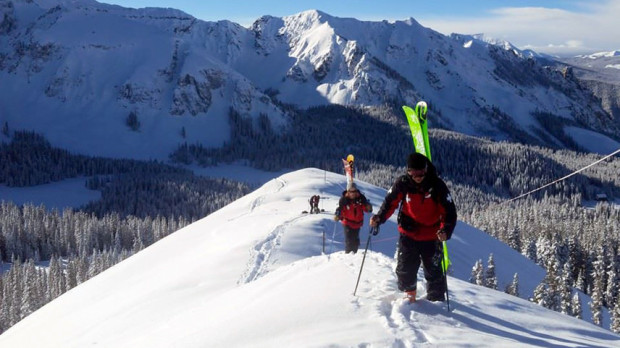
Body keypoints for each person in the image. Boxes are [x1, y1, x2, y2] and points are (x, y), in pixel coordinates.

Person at [370, 153, 457, 302]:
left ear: (426, 169)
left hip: (432, 236)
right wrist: (380, 218)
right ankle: (409, 298)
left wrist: (445, 230)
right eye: (413, 172)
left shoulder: (436, 185)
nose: (417, 176)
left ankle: (437, 304)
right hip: (408, 233)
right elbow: (390, 202)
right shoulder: (403, 183)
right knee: (405, 271)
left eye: (420, 173)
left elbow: (449, 212)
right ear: (408, 171)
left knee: (434, 273)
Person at [334, 183, 373, 254]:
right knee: (349, 240)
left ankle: (354, 254)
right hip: (347, 222)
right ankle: (348, 254)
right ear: (348, 192)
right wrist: (338, 215)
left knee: (355, 240)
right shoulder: (344, 200)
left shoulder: (360, 198)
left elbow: (366, 208)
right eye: (351, 191)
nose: (353, 193)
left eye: (354, 191)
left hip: (357, 223)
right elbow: (341, 209)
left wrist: (368, 207)